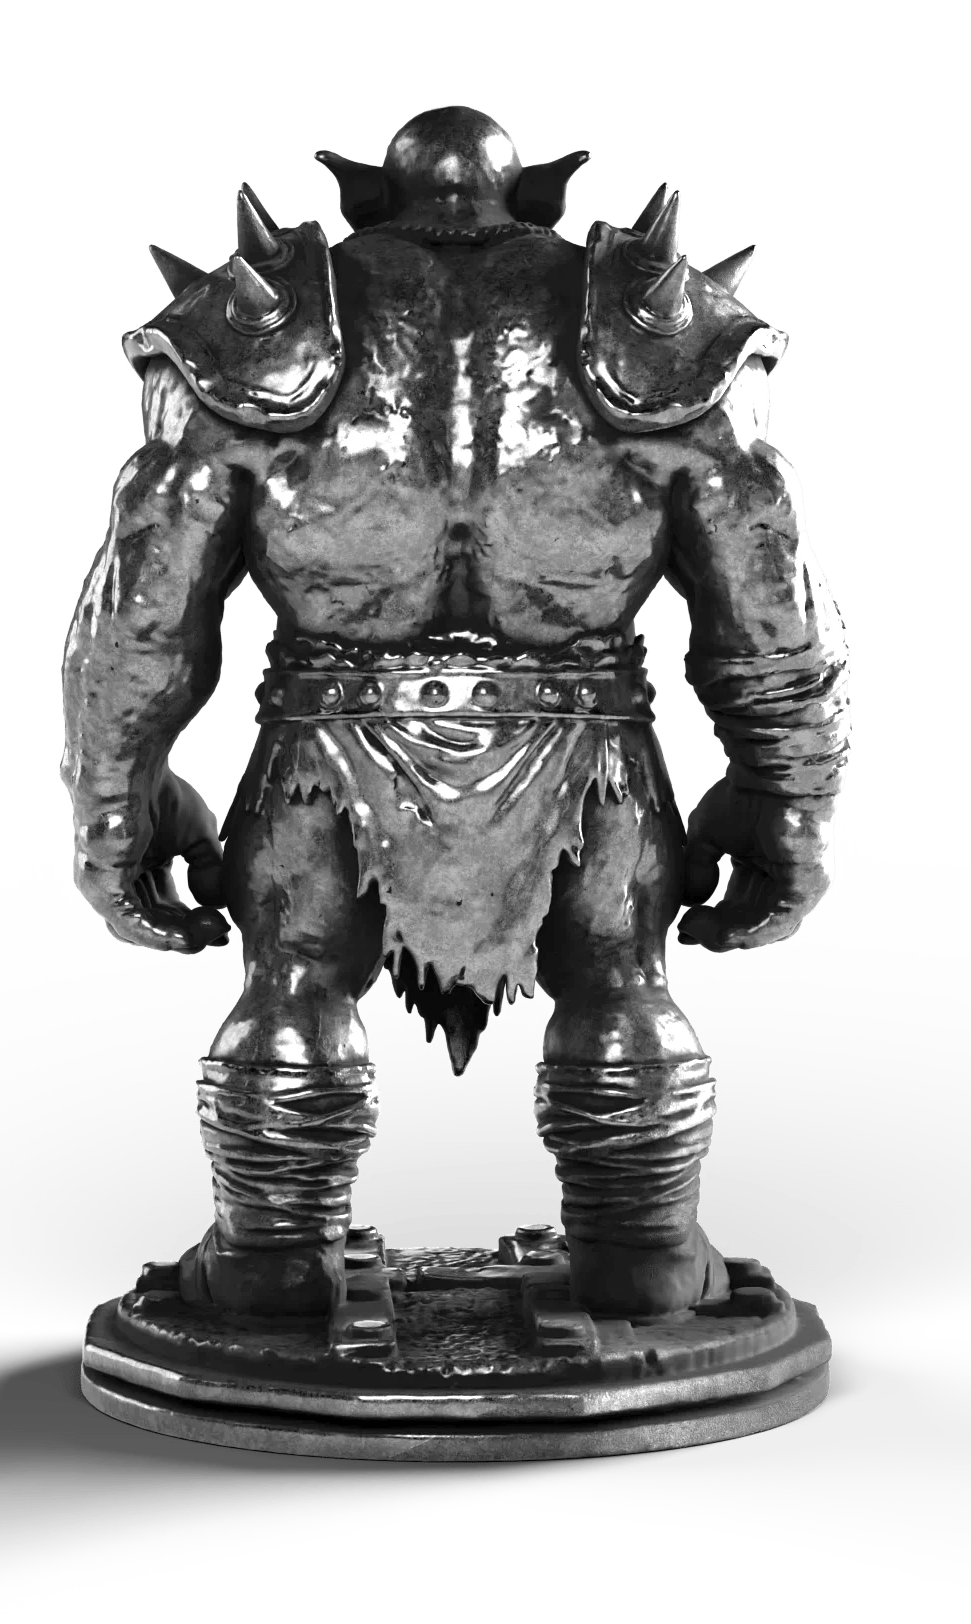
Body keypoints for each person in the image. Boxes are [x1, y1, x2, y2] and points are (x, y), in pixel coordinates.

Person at [59, 106, 851, 1320]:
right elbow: (769, 598)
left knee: (290, 987)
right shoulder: (653, 328)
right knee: (621, 983)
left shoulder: (261, 326)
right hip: (586, 738)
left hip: (329, 736)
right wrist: (790, 803)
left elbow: (143, 607)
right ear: (527, 197)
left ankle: (269, 1270)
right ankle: (641, 1261)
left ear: (372, 198)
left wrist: (115, 807)